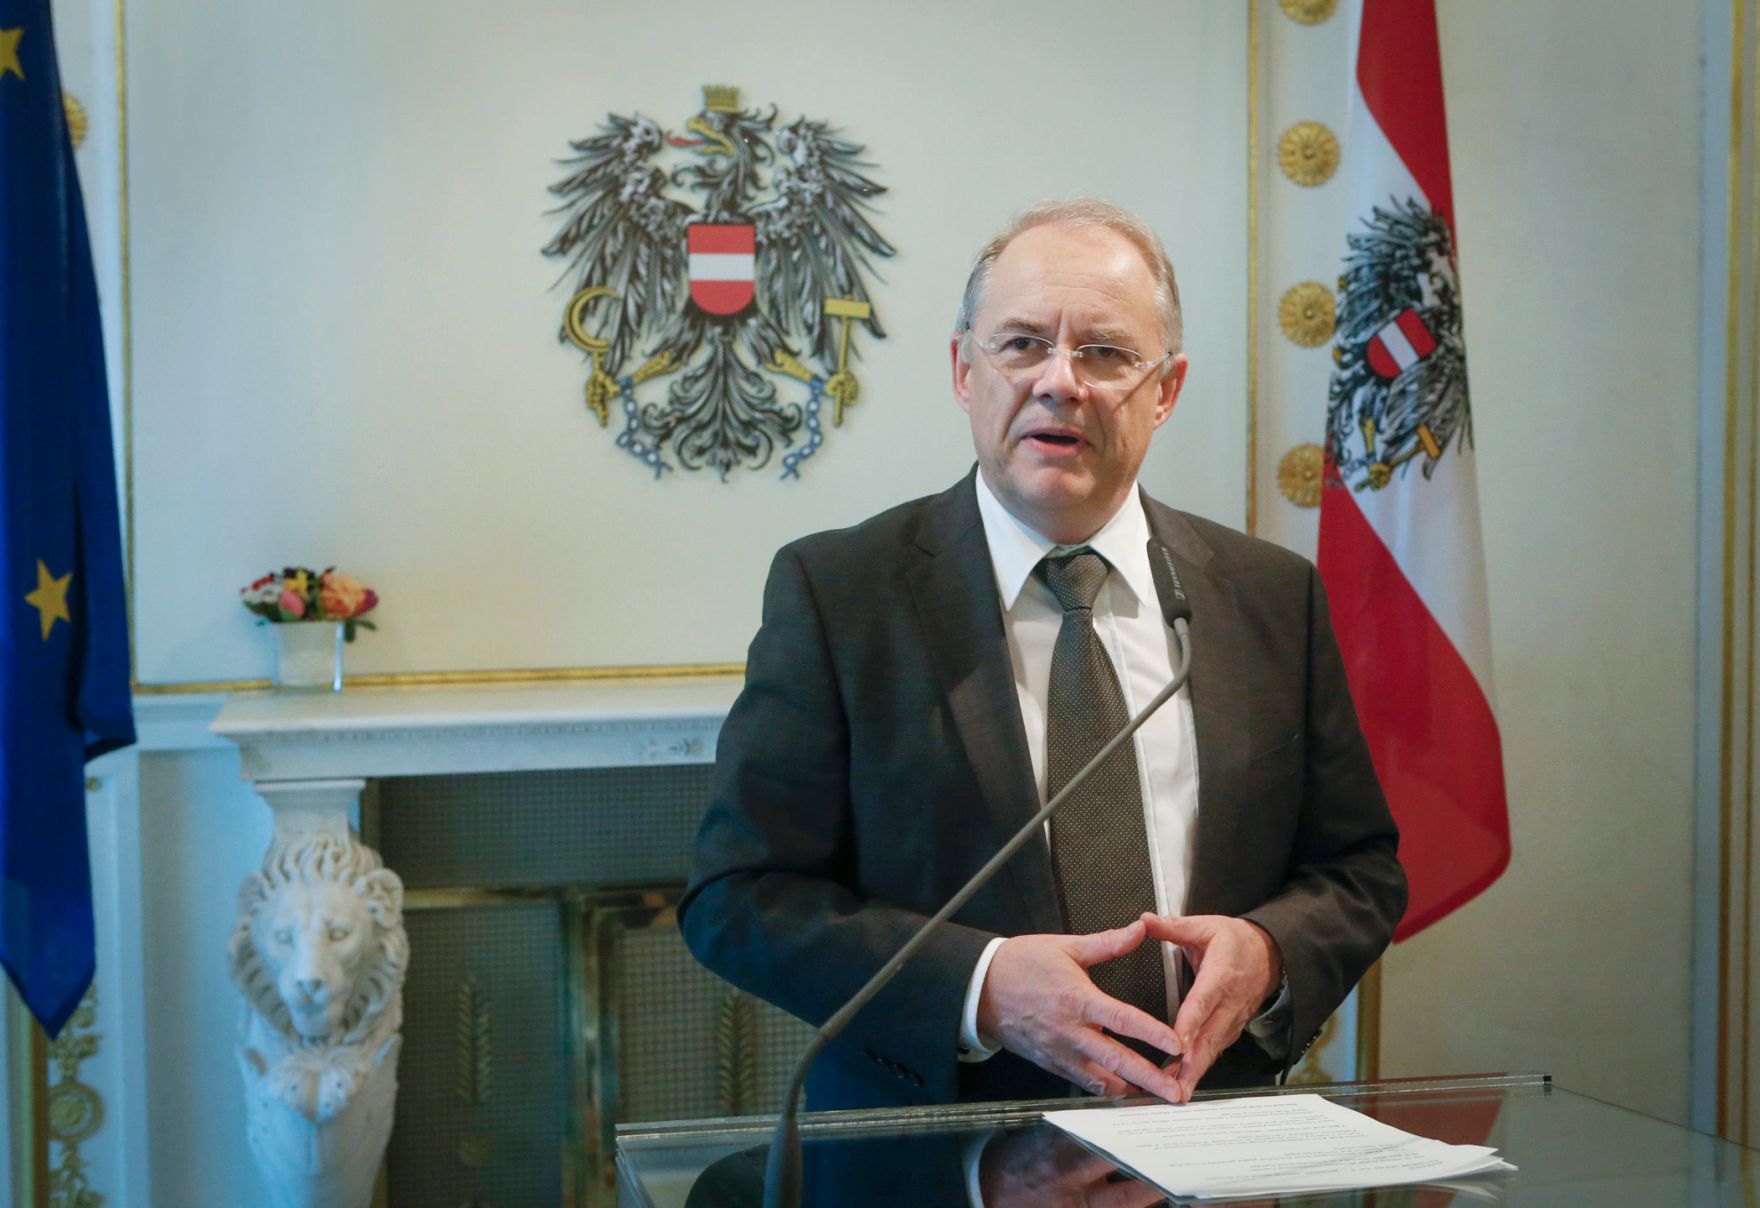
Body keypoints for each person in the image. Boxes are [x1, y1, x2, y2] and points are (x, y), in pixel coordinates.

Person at [679, 199, 1406, 1112]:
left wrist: (1267, 951)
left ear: (1167, 389)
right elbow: (739, 899)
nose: (1060, 381)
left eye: (1104, 352)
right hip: (936, 1142)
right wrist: (978, 985)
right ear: (962, 370)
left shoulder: (1269, 595)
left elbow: (1359, 870)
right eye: (1021, 344)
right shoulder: (841, 593)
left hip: (1210, 1136)